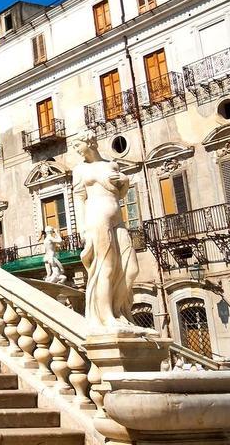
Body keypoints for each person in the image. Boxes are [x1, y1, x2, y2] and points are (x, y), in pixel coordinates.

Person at [72, 130, 144, 332]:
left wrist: (126, 182)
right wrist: (83, 229)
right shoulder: (80, 171)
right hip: (96, 217)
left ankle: (119, 311)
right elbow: (79, 199)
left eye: (78, 145)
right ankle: (106, 317)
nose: (77, 150)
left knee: (131, 268)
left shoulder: (111, 165)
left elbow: (120, 194)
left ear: (89, 142)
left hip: (117, 218)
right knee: (106, 268)